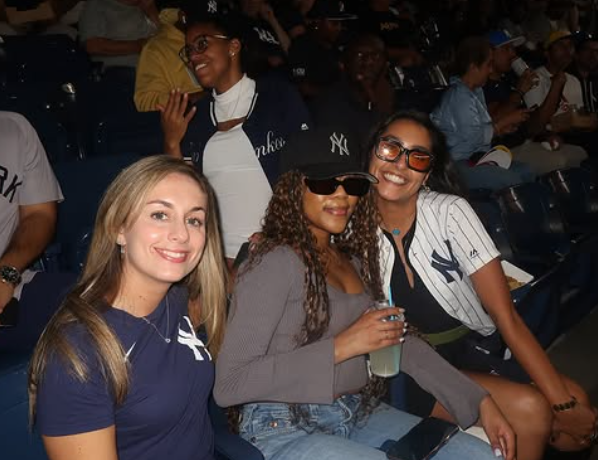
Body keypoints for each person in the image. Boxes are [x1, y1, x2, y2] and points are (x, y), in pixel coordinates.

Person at [214, 124, 517, 460]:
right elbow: (230, 384)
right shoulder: (273, 261)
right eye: (325, 183)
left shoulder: (352, 260)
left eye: (353, 184)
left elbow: (398, 341)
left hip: (356, 410)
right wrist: (343, 346)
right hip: (280, 424)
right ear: (292, 188)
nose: (342, 195)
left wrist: (479, 401)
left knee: (481, 456)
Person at [368, 110, 598, 460]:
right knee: (532, 409)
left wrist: (564, 404)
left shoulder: (449, 212)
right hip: (404, 368)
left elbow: (506, 316)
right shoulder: (349, 223)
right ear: (372, 151)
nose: (400, 164)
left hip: (463, 348)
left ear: (427, 173)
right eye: (391, 148)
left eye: (416, 157)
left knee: (575, 407)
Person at [28, 156, 228, 460]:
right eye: (160, 215)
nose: (182, 234)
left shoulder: (176, 301)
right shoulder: (77, 356)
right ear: (118, 228)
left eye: (194, 219)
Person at [159, 13, 311, 265]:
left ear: (233, 46)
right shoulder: (193, 117)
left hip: (280, 249)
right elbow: (180, 194)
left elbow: (309, 174)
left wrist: (283, 236)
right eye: (189, 51)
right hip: (214, 257)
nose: (194, 57)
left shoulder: (277, 96)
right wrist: (172, 142)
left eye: (202, 44)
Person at [0, 111, 74, 351]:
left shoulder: (13, 129)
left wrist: (6, 273)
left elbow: (38, 216)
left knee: (108, 308)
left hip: (10, 288)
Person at [431, 36, 534, 190]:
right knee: (512, 180)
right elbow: (473, 138)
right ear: (473, 67)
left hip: (476, 158)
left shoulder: (475, 91)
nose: (491, 70)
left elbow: (478, 130)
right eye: (488, 65)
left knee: (526, 171)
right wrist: (502, 123)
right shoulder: (459, 95)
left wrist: (501, 129)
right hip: (455, 164)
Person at [485, 30, 587, 174]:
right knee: (558, 162)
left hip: (526, 141)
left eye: (513, 49)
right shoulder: (483, 85)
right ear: (489, 54)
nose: (513, 54)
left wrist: (545, 135)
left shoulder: (508, 81)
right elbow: (494, 120)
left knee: (579, 153)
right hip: (501, 151)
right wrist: (520, 91)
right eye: (506, 49)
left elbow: (534, 124)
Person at [134, 0, 209, 112]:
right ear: (183, 18)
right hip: (190, 119)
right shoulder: (156, 49)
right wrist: (191, 100)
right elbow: (145, 102)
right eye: (205, 23)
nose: (210, 29)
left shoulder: (216, 38)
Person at [78, 0, 159, 72]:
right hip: (123, 70)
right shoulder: (97, 4)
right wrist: (138, 46)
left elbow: (160, 32)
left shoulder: (144, 5)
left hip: (156, 65)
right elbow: (92, 46)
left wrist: (150, 10)